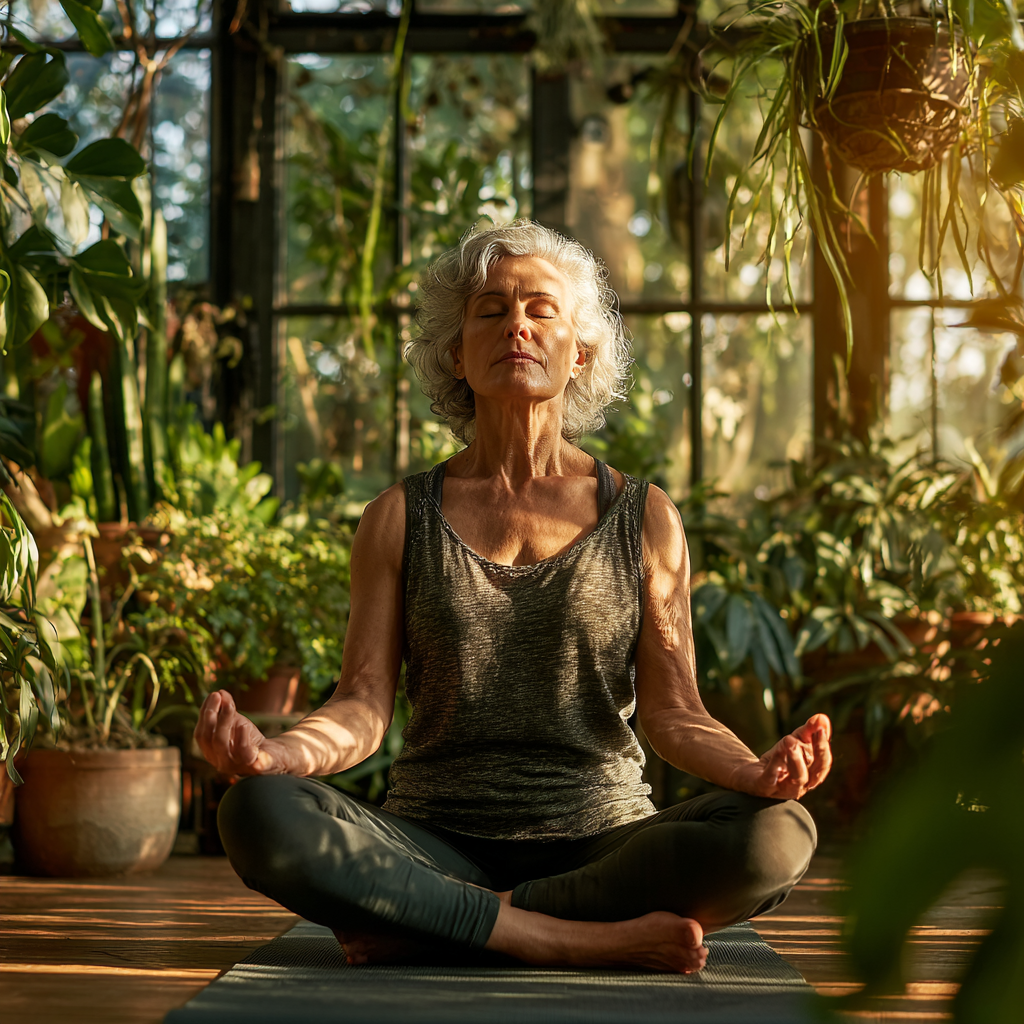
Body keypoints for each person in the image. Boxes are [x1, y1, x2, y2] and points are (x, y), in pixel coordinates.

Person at [196, 221, 831, 975]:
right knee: (258, 811)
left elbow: (675, 711)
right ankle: (567, 940)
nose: (517, 325)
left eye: (541, 309)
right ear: (457, 354)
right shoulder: (399, 517)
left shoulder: (643, 515)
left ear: (581, 353)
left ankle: (436, 923)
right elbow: (362, 705)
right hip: (434, 840)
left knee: (778, 834)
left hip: (604, 843)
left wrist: (755, 773)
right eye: (491, 310)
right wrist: (278, 753)